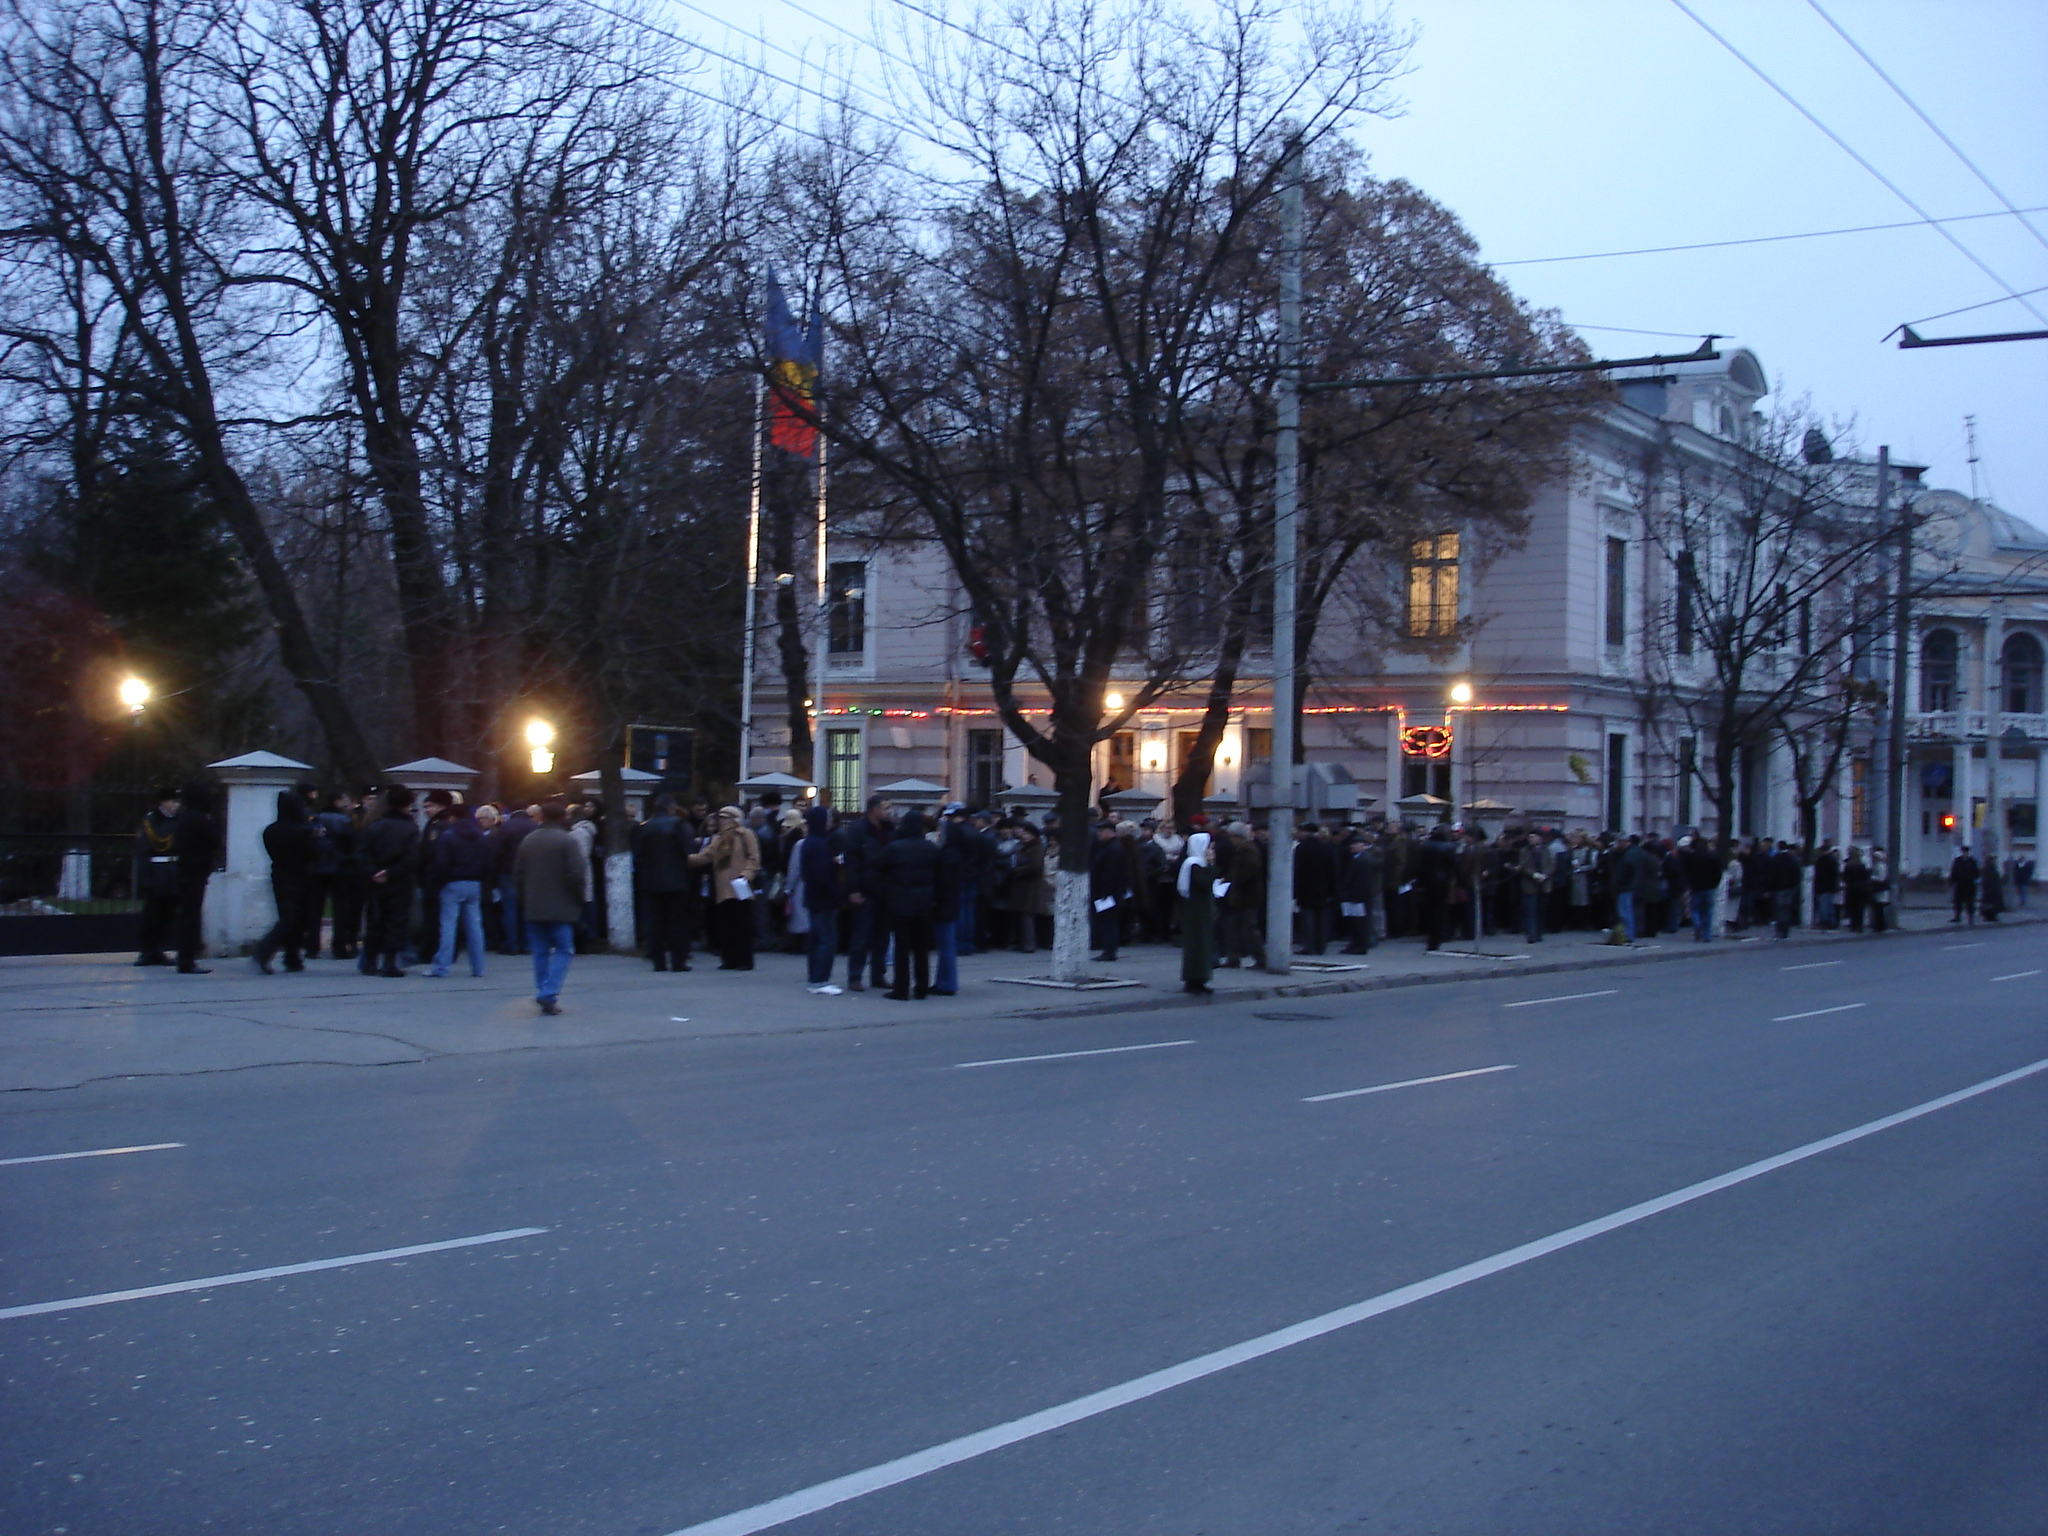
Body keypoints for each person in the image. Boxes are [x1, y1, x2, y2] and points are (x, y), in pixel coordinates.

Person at [514, 801, 585, 1015]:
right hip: (561, 906)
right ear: (564, 817)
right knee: (564, 950)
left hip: (534, 905)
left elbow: (518, 874)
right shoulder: (567, 841)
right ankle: (549, 992)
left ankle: (543, 988)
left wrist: (525, 899)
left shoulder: (528, 841)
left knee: (540, 951)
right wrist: (579, 899)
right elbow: (576, 874)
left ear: (541, 817)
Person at [874, 808, 940, 999]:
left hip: (900, 899)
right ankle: (921, 988)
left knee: (902, 947)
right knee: (921, 947)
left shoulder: (896, 847)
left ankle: (901, 988)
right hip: (924, 900)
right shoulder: (930, 848)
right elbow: (939, 872)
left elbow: (878, 865)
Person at [252, 791, 318, 973]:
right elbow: (312, 854)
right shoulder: (302, 831)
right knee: (295, 919)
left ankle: (292, 957)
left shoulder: (270, 831)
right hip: (300, 875)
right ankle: (266, 951)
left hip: (279, 874)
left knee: (287, 915)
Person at [358, 786, 419, 978]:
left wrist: (373, 872)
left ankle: (369, 961)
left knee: (375, 920)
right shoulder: (410, 828)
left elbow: (362, 854)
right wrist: (391, 872)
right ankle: (390, 962)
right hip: (399, 881)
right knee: (396, 921)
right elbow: (411, 859)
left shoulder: (375, 826)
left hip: (375, 880)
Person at [690, 806, 761, 970]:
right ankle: (729, 959)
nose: (720, 821)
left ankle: (744, 960)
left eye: (724, 817)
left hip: (741, 886)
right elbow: (707, 856)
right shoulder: (718, 838)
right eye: (720, 817)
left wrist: (747, 874)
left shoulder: (746, 835)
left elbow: (754, 857)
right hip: (722, 888)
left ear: (734, 819)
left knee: (742, 925)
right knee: (725, 925)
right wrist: (685, 859)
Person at [635, 795, 698, 972]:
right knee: (677, 922)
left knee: (655, 923)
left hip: (651, 882)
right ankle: (678, 961)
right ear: (671, 808)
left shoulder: (645, 827)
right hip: (676, 881)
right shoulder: (677, 825)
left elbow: (639, 855)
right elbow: (685, 850)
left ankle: (658, 961)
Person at [838, 795, 895, 989]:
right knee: (862, 936)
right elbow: (851, 862)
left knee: (882, 937)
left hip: (885, 890)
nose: (889, 812)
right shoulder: (858, 830)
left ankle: (878, 975)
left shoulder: (888, 830)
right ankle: (855, 976)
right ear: (874, 810)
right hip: (864, 890)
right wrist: (853, 889)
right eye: (886, 808)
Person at [429, 803, 491, 978]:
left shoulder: (448, 836)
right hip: (474, 883)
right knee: (475, 926)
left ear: (452, 818)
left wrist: (438, 881)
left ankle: (442, 967)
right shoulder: (480, 835)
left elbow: (441, 864)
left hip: (452, 883)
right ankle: (478, 967)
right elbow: (488, 861)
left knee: (448, 926)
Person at [168, 784, 221, 974]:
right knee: (191, 915)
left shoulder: (184, 818)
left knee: (187, 914)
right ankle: (187, 959)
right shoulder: (201, 819)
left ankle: (186, 956)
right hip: (196, 870)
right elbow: (215, 841)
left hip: (186, 869)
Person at [133, 788, 184, 966]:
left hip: (173, 872)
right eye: (173, 802)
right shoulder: (150, 822)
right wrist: (145, 878)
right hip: (156, 872)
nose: (176, 806)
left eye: (178, 802)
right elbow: (143, 852)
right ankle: (148, 950)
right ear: (162, 802)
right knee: (152, 914)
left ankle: (160, 948)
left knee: (168, 914)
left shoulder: (179, 820)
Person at [796, 807, 844, 994]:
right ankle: (820, 980)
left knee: (817, 939)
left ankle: (815, 978)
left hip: (813, 896)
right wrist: (836, 894)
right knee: (827, 940)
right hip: (823, 898)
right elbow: (822, 874)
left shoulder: (810, 842)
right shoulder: (820, 844)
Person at [312, 791, 364, 959]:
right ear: (337, 801)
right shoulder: (345, 821)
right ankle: (340, 946)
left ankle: (312, 946)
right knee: (341, 909)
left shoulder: (317, 818)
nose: (350, 806)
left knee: (315, 909)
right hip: (341, 868)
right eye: (347, 802)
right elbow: (354, 844)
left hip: (318, 868)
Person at [495, 803, 538, 953]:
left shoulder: (507, 827)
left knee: (510, 908)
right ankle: (527, 943)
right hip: (530, 873)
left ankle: (511, 944)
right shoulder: (535, 826)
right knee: (526, 909)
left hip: (508, 872)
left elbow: (497, 850)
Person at [1178, 830, 1216, 993]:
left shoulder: (1197, 863)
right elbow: (1204, 884)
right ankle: (1194, 979)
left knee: (1202, 944)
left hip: (1200, 909)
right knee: (1197, 945)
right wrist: (1212, 866)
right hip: (1196, 911)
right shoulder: (1195, 864)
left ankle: (1200, 979)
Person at [1088, 818, 1129, 963]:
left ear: (1111, 832)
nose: (1099, 833)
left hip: (1109, 892)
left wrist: (1105, 893)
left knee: (1108, 922)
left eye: (1102, 831)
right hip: (1104, 891)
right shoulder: (1104, 846)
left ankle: (1109, 950)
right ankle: (1105, 947)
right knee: (1104, 921)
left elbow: (1112, 873)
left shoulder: (1114, 848)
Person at [1337, 831, 1378, 954]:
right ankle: (1354, 944)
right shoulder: (1355, 859)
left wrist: (1355, 896)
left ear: (1363, 846)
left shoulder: (1364, 860)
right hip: (1352, 896)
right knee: (1353, 923)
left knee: (1361, 923)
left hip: (1360, 898)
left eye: (1356, 844)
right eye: (1352, 844)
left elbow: (1362, 881)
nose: (1352, 846)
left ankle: (1361, 946)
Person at [1678, 836, 1724, 942]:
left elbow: (1685, 871)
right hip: (1709, 887)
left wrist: (1689, 883)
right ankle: (1707, 935)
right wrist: (1714, 884)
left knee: (1695, 909)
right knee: (1708, 911)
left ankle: (1697, 924)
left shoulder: (1691, 857)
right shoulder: (1713, 857)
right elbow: (1718, 873)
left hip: (1696, 887)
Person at [1516, 830, 1550, 943]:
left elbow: (1551, 864)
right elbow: (1523, 866)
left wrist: (1545, 874)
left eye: (1534, 837)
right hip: (1530, 883)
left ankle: (1539, 933)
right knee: (1531, 910)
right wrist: (1534, 874)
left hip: (1544, 883)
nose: (1531, 840)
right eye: (1530, 837)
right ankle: (1531, 934)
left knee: (1541, 910)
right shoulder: (1524, 851)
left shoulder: (1546, 850)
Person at [1811, 842, 1841, 930]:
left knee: (1824, 905)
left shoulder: (1822, 860)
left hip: (1823, 886)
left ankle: (1826, 922)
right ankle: (1831, 922)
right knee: (1829, 905)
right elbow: (1835, 874)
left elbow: (1820, 875)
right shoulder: (1832, 860)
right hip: (1829, 886)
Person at [1842, 847, 1872, 933]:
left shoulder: (1849, 865)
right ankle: (1859, 925)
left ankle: (1854, 925)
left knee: (1852, 907)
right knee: (1860, 908)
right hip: (1861, 888)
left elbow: (1845, 877)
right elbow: (1865, 876)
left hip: (1851, 888)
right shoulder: (1861, 865)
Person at [1948, 846, 1979, 924]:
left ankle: (1970, 918)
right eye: (1963, 852)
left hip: (1969, 885)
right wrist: (1952, 882)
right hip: (1959, 884)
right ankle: (1957, 916)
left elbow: (1977, 873)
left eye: (1966, 852)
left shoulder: (1972, 861)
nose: (1964, 853)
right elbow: (1954, 872)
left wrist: (1971, 877)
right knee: (1958, 901)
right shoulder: (1958, 861)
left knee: (1970, 902)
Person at [1866, 846, 1894, 933]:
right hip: (1878, 890)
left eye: (1874, 857)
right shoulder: (1878, 866)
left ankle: (1880, 926)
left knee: (1879, 909)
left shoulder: (1880, 867)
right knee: (1878, 909)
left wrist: (1872, 878)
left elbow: (1881, 878)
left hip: (1880, 890)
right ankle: (1878, 926)